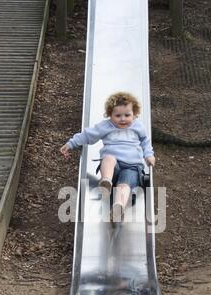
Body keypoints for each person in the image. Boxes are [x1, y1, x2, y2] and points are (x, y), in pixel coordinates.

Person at [60, 92, 155, 223]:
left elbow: (145, 141)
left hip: (132, 166)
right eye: (117, 116)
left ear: (135, 114)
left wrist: (149, 155)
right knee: (109, 158)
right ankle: (106, 181)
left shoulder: (138, 126)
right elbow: (88, 135)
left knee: (125, 186)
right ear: (110, 115)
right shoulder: (106, 126)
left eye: (127, 115)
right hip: (113, 166)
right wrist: (71, 144)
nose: (122, 119)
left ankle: (118, 207)